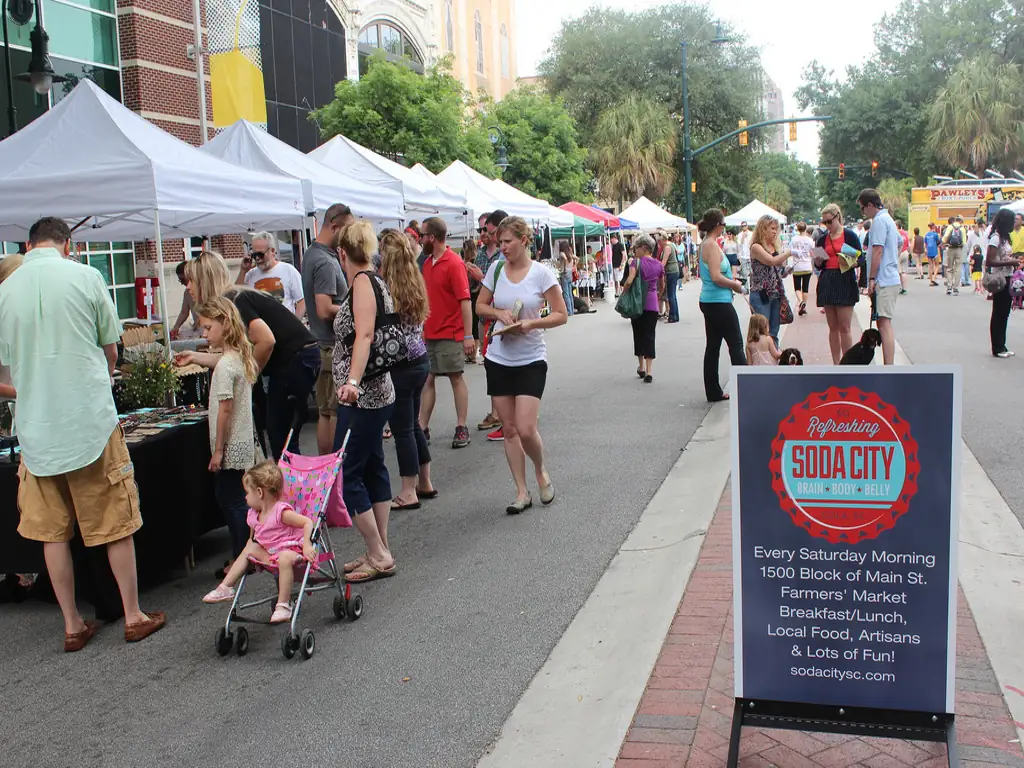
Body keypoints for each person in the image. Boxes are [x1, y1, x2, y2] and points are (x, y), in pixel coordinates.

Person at [0, 217, 164, 651]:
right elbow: (112, 348)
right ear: (67, 245)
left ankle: (72, 624)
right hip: (88, 420)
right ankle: (133, 615)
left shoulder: (5, 291)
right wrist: (99, 377)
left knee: (53, 532)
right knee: (115, 521)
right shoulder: (87, 275)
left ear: (29, 244)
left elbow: (4, 364)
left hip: (36, 427)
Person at [186, 250, 320, 458]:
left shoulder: (235, 302)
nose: (188, 287)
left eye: (191, 281)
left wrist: (249, 376)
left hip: (295, 360)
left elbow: (266, 341)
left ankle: (290, 487)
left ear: (204, 281)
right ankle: (286, 485)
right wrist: (194, 357)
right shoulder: (233, 300)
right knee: (280, 436)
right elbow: (233, 359)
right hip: (298, 359)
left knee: (281, 437)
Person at [476, 216, 568, 514]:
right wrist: (498, 313)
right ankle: (521, 491)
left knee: (527, 428)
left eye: (507, 242)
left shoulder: (541, 273)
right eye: (499, 242)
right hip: (499, 357)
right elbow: (479, 305)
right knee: (510, 429)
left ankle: (540, 471)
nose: (502, 247)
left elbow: (561, 314)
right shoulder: (497, 268)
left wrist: (532, 323)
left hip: (530, 357)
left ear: (524, 241)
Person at [332, 222, 397, 583]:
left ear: (343, 252)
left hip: (365, 396)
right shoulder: (374, 280)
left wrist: (353, 382)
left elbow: (365, 335)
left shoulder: (361, 283)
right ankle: (380, 549)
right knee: (372, 467)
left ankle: (378, 551)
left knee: (349, 473)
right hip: (376, 393)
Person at [175, 296, 262, 559]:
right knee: (236, 498)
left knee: (230, 501)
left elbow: (225, 409)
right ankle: (244, 551)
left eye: (208, 328)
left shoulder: (226, 365)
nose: (204, 333)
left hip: (230, 444)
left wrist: (217, 450)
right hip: (243, 440)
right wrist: (196, 357)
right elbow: (220, 363)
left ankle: (241, 554)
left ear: (224, 324)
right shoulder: (237, 355)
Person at [202, 461, 316, 624]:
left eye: (247, 493)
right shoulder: (253, 515)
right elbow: (252, 540)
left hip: (290, 554)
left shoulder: (280, 512)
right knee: (250, 546)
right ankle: (225, 587)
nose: (245, 497)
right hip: (270, 556)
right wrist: (249, 554)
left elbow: (307, 522)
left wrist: (307, 544)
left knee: (283, 556)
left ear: (260, 493)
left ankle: (283, 605)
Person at [378, 229, 435, 511]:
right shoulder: (416, 279)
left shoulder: (386, 287)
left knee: (402, 429)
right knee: (412, 425)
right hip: (420, 358)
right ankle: (425, 481)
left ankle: (408, 490)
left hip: (400, 364)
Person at [418, 217, 476, 449]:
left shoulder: (454, 263)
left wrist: (468, 335)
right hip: (430, 332)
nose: (420, 239)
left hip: (451, 333)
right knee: (428, 379)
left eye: (423, 235)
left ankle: (461, 426)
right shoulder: (427, 263)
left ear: (432, 237)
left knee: (455, 377)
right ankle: (422, 427)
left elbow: (465, 301)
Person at [302, 203, 354, 455]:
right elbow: (324, 308)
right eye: (348, 230)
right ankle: (331, 468)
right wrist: (355, 308)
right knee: (331, 412)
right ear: (334, 226)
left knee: (327, 411)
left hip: (326, 345)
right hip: (329, 347)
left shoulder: (317, 254)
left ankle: (330, 468)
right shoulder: (323, 261)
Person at [697, 209, 746, 402]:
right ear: (718, 225)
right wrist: (735, 285)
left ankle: (713, 390)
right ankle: (745, 388)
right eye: (723, 224)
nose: (724, 227)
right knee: (735, 344)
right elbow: (716, 277)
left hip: (711, 300)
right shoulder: (710, 245)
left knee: (713, 346)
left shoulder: (708, 244)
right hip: (718, 301)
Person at [814, 204, 862, 365]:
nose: (827, 226)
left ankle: (847, 363)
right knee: (832, 327)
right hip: (828, 279)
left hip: (845, 278)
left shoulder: (849, 235)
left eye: (829, 221)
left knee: (845, 327)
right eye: (824, 222)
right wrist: (818, 261)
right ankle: (836, 363)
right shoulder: (822, 238)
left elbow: (861, 258)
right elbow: (819, 265)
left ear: (837, 217)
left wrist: (850, 263)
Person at [858, 188, 901, 365]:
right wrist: (892, 261)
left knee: (884, 324)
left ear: (869, 205)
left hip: (883, 279)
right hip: (889, 276)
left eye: (862, 208)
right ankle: (888, 364)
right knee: (884, 322)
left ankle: (888, 365)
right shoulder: (888, 219)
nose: (862, 212)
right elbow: (900, 242)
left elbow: (877, 250)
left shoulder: (878, 222)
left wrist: (871, 278)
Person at [622, 234, 665, 383]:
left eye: (636, 248)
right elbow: (662, 284)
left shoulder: (636, 262)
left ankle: (640, 366)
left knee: (638, 333)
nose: (634, 251)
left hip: (637, 303)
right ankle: (649, 370)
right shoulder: (659, 265)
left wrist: (624, 292)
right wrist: (657, 294)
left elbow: (630, 279)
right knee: (650, 335)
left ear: (644, 248)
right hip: (652, 303)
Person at [237, 232, 305, 316]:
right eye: (254, 255)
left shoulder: (288, 270)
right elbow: (235, 296)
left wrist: (295, 325)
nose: (257, 259)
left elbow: (302, 301)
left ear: (272, 251)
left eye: (260, 254)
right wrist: (243, 271)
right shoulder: (250, 274)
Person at [748, 215, 790, 349]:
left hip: (776, 293)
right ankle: (761, 363)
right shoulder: (756, 247)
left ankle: (773, 361)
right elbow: (770, 261)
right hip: (761, 294)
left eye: (776, 229)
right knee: (761, 332)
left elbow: (778, 269)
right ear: (763, 229)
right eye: (772, 228)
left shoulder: (774, 247)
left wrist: (786, 270)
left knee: (774, 331)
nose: (774, 232)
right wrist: (789, 253)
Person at [986, 208, 1020, 358]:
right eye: (1012, 220)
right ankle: (997, 347)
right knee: (999, 312)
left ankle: (1002, 345)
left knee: (1004, 313)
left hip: (1007, 276)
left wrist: (1011, 261)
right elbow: (990, 260)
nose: (1014, 223)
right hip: (1000, 279)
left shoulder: (1005, 238)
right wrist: (1010, 261)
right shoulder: (996, 238)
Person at [462, 237, 484, 363]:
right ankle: (472, 354)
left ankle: (473, 353)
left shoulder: (473, 262)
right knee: (473, 323)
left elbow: (478, 278)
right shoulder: (467, 261)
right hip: (471, 293)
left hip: (474, 294)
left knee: (474, 323)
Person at [789, 222, 815, 315]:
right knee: (805, 287)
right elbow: (813, 253)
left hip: (797, 266)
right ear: (806, 228)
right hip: (807, 265)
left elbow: (790, 252)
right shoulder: (810, 240)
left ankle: (800, 301)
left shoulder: (793, 240)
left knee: (797, 287)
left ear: (797, 228)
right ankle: (804, 306)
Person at [170, 261, 199, 339]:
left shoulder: (205, 289)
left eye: (183, 280)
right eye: (180, 281)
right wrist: (176, 327)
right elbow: (184, 312)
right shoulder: (187, 293)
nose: (182, 283)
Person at [941, 216, 966, 296]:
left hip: (950, 249)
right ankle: (956, 288)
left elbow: (944, 238)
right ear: (960, 221)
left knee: (949, 268)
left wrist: (945, 242)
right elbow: (964, 242)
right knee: (957, 269)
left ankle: (949, 286)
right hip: (959, 249)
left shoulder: (950, 227)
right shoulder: (962, 228)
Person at [660, 229, 681, 323]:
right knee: (673, 295)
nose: (658, 243)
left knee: (671, 295)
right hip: (673, 271)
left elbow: (663, 263)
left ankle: (672, 316)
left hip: (671, 272)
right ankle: (675, 315)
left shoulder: (667, 247)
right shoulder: (671, 245)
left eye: (659, 241)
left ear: (662, 239)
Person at [556, 240, 576, 317]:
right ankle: (572, 310)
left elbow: (564, 258)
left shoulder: (562, 253)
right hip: (570, 273)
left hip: (564, 274)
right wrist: (574, 266)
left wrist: (564, 268)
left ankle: (569, 311)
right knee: (570, 293)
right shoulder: (570, 254)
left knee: (566, 293)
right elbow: (577, 258)